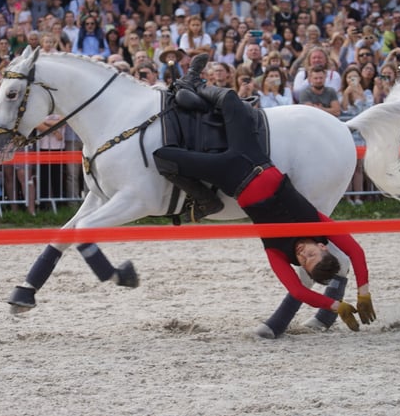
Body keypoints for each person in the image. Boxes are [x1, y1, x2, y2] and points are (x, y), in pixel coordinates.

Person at [157, 54, 374, 336]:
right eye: (310, 253)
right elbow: (356, 251)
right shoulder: (315, 224)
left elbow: (297, 289)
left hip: (230, 174)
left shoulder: (279, 252)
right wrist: (364, 291)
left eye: (304, 261)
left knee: (163, 157)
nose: (301, 253)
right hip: (254, 156)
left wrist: (335, 306)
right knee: (232, 101)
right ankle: (192, 82)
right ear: (322, 247)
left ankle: (205, 199)